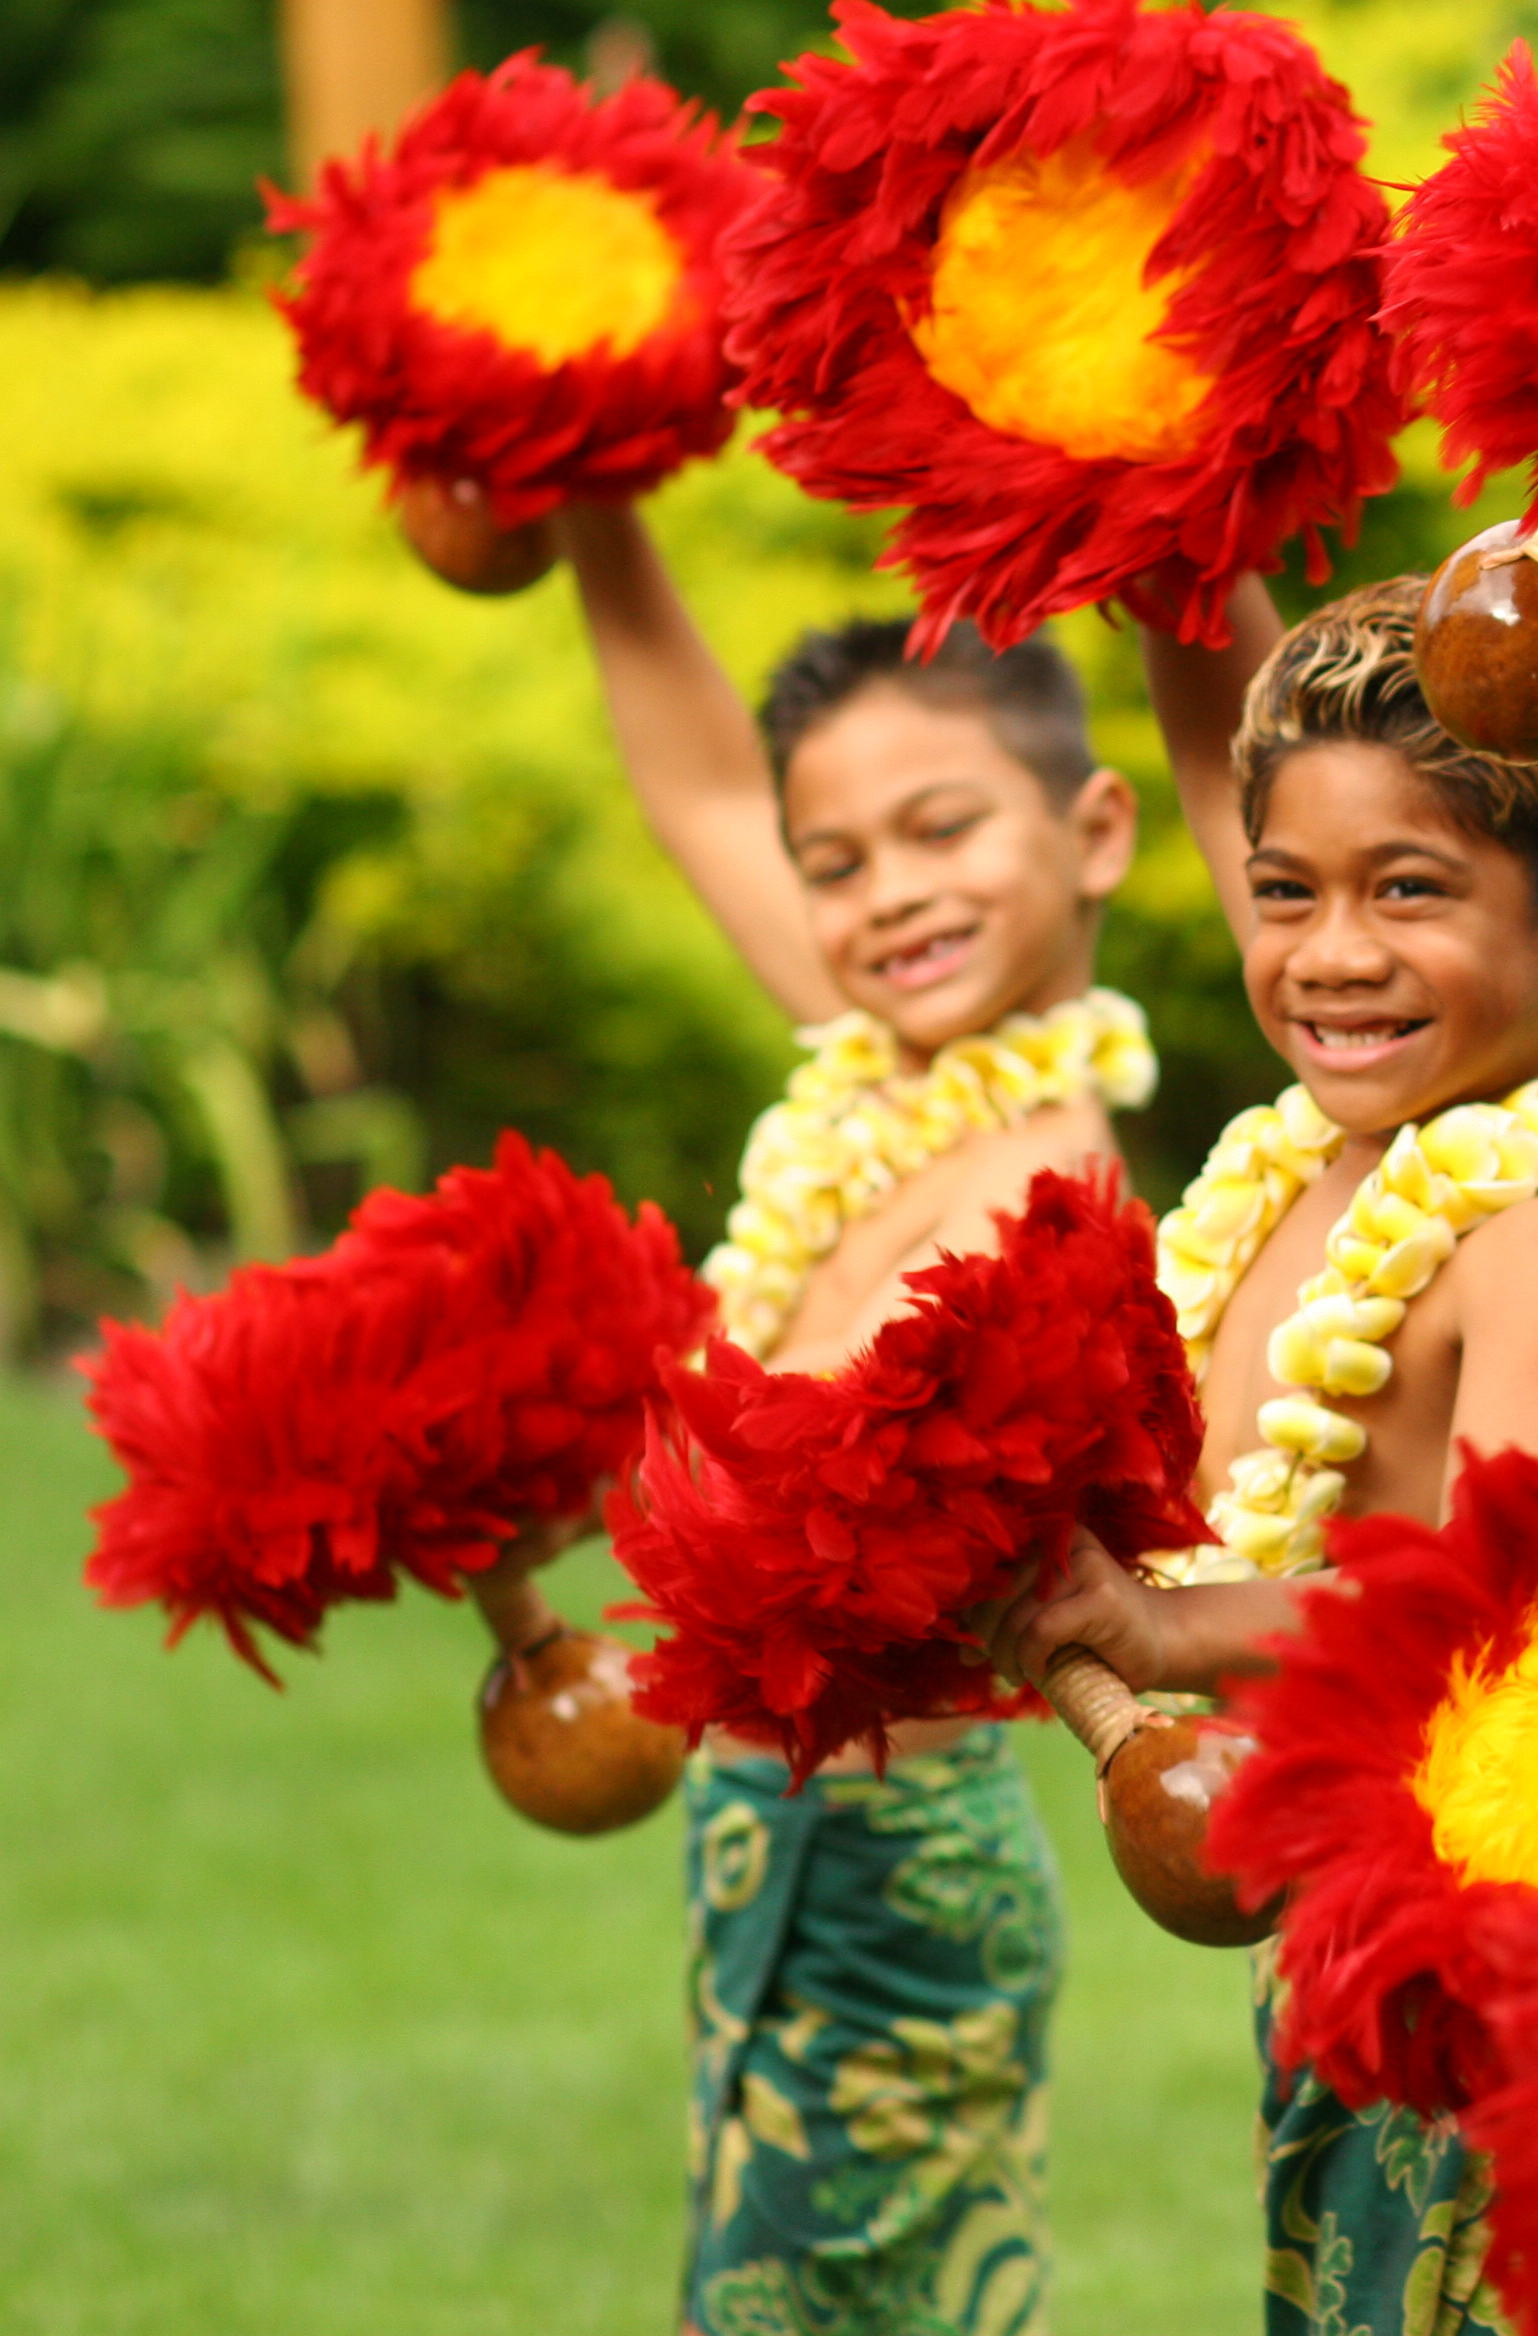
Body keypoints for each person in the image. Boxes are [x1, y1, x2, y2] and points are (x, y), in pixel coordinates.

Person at [992, 573, 1538, 2336]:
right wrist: (1161, 514)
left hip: (1516, 1984)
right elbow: (1215, 701)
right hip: (1341, 1938)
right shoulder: (1305, 1172)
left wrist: (1171, 1638)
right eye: (1283, 892)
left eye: (1411, 893)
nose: (1330, 952)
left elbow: (1495, 1627)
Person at [559, 498, 1155, 2336]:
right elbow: (695, 786)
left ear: (1096, 830)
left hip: (902, 1859)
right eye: (838, 861)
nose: (888, 893)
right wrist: (594, 503)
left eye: (943, 830)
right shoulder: (880, 1075)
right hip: (762, 1824)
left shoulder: (1059, 1183)